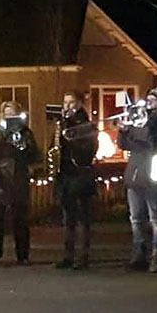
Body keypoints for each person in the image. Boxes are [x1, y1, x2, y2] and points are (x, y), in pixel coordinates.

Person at [119, 87, 157, 273]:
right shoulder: (139, 121)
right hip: (135, 174)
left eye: (153, 100)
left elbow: (154, 142)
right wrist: (123, 131)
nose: (148, 103)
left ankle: (156, 256)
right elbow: (126, 145)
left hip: (154, 174)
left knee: (156, 219)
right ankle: (138, 254)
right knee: (136, 219)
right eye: (148, 99)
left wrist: (140, 127)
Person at [0, 101, 40, 266]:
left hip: (18, 179)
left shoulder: (26, 132)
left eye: (12, 115)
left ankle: (22, 254)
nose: (9, 118)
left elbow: (34, 155)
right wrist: (3, 136)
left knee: (20, 219)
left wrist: (24, 144)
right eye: (6, 115)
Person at [54, 90, 99, 270]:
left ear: (80, 104)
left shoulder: (86, 124)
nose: (68, 107)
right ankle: (68, 255)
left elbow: (89, 150)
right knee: (68, 218)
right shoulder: (62, 123)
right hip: (65, 174)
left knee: (83, 218)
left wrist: (70, 136)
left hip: (81, 175)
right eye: (65, 103)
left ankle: (83, 256)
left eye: (71, 103)